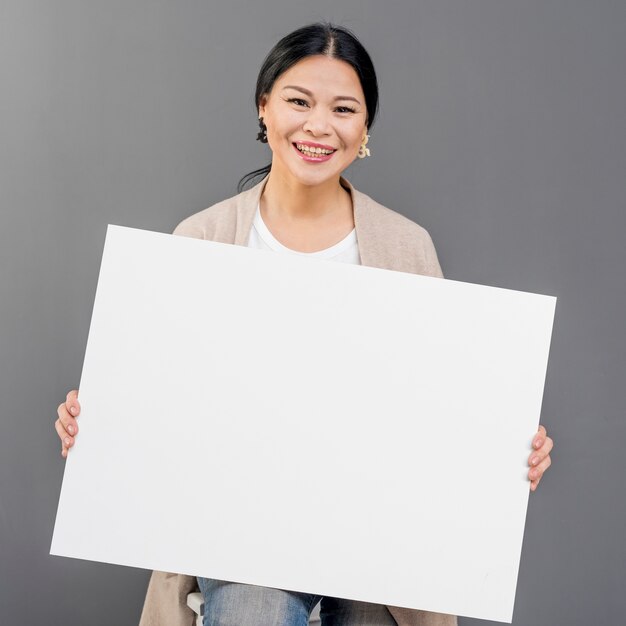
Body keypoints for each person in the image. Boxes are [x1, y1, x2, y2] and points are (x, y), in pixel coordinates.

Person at [54, 21, 554, 626]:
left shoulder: (406, 247)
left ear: (364, 128)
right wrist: (101, 422)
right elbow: (162, 404)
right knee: (251, 606)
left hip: (376, 532)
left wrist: (502, 447)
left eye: (344, 109)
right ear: (263, 107)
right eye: (298, 101)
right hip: (238, 531)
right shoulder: (202, 239)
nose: (319, 126)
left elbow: (440, 407)